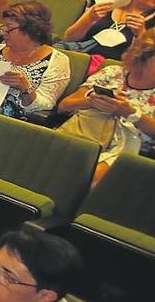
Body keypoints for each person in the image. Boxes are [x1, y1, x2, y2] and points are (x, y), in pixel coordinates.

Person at [56, 27, 155, 184]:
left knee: (90, 178)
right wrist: (90, 101)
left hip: (129, 150)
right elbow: (63, 106)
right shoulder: (112, 73)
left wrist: (130, 113)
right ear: (144, 56)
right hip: (85, 135)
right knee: (49, 163)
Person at [0, 1, 69, 123]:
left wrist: (25, 89)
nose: (1, 33)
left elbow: (45, 106)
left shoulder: (56, 61)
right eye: (2, 27)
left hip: (9, 121)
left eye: (8, 29)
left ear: (31, 30)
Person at [60, 0, 155, 60]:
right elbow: (68, 38)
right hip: (74, 56)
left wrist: (140, 35)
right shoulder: (108, 2)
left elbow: (144, 63)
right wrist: (89, 19)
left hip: (110, 69)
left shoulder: (152, 23)